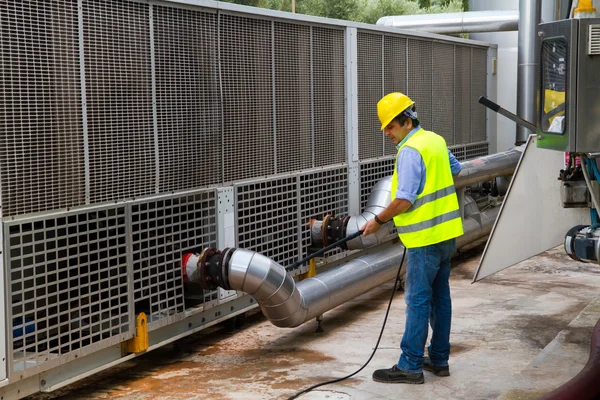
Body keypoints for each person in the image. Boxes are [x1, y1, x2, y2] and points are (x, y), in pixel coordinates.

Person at [361, 92, 464, 384]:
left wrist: (378, 220)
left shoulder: (409, 151)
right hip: (446, 235)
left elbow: (404, 199)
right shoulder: (435, 140)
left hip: (423, 239)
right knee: (440, 298)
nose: (387, 134)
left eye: (390, 127)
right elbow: (456, 170)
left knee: (418, 300)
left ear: (406, 121)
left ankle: (410, 366)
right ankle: (439, 360)